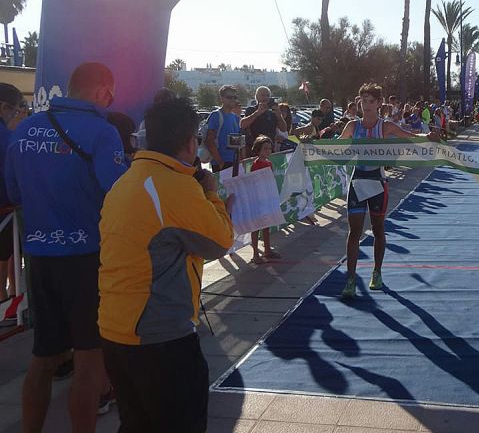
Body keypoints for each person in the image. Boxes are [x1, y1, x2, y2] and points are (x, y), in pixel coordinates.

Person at [98, 97, 234, 432]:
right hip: (160, 337)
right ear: (190, 142)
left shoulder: (127, 180)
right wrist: (212, 195)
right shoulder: (173, 185)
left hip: (115, 330)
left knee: (135, 423)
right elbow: (220, 241)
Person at [5, 62, 127, 432]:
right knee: (90, 360)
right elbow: (118, 195)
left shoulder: (23, 130)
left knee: (43, 358)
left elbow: (13, 194)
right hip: (86, 257)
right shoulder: (103, 133)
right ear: (103, 91)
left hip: (39, 257)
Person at [338, 83, 440, 298]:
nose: (366, 105)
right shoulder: (351, 127)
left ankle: (377, 272)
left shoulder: (385, 126)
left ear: (378, 104)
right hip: (358, 180)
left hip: (377, 181)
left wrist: (428, 137)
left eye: (370, 101)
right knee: (354, 232)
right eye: (363, 101)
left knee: (378, 229)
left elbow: (409, 136)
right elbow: (334, 147)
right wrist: (311, 146)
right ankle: (351, 278)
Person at [0, 83, 23, 305]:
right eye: (15, 110)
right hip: (6, 209)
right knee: (8, 252)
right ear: (4, 108)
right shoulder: (8, 139)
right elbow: (12, 179)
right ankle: (9, 301)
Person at [249, 135, 281, 264]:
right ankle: (255, 253)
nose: (268, 151)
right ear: (258, 149)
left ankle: (267, 249)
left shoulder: (269, 163)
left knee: (266, 225)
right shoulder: (256, 164)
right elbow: (254, 182)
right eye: (265, 148)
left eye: (269, 148)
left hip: (267, 197)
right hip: (257, 198)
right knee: (256, 227)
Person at [204, 85, 241, 172]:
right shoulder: (216, 115)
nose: (233, 100)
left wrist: (240, 159)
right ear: (222, 98)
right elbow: (209, 141)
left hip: (235, 161)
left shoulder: (236, 117)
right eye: (229, 97)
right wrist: (220, 162)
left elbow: (237, 141)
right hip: (221, 162)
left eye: (235, 97)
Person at [240, 86, 287, 150]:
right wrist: (257, 113)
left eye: (268, 95)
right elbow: (242, 125)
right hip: (255, 147)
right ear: (256, 97)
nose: (265, 97)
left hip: (270, 148)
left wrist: (279, 116)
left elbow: (283, 129)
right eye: (263, 95)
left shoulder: (273, 112)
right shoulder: (251, 110)